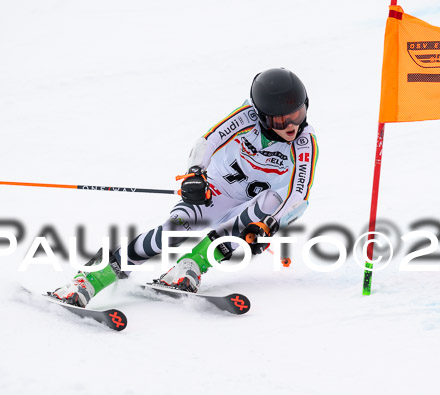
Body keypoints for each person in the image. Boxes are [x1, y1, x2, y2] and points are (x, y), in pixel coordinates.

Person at [50, 68, 318, 308]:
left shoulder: (305, 143)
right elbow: (207, 142)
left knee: (266, 207)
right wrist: (195, 174)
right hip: (216, 190)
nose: (292, 127)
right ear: (262, 116)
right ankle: (91, 279)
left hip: (253, 206)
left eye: (298, 115)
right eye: (281, 121)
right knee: (174, 231)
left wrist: (271, 224)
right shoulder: (246, 116)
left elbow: (300, 197)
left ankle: (192, 265)